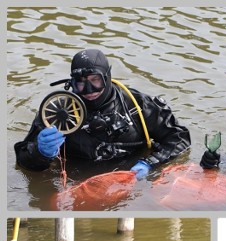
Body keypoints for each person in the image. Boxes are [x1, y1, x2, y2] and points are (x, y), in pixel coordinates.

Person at [14, 48, 191, 179]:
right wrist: (40, 152)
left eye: (95, 80)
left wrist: (151, 163)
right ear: (72, 83)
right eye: (80, 83)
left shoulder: (136, 105)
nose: (89, 89)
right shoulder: (57, 113)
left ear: (107, 77)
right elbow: (23, 162)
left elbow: (179, 138)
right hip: (79, 179)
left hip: (131, 174)